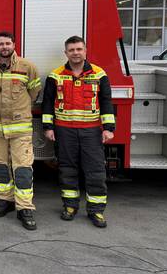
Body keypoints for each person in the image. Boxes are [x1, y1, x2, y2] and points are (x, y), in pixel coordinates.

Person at [42, 35, 115, 228]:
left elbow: (106, 102)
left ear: (85, 51)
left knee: (96, 171)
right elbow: (47, 103)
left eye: (79, 49)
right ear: (66, 53)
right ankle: (70, 206)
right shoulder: (55, 75)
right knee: (67, 170)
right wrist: (48, 127)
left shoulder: (99, 74)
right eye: (72, 50)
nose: (75, 53)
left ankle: (96, 210)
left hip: (91, 131)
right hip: (64, 130)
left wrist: (108, 128)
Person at [0, 32, 41, 231]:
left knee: (22, 168)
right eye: (1, 44)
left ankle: (25, 208)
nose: (4, 47)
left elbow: (33, 92)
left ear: (14, 45)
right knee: (0, 166)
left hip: (20, 127)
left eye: (7, 43)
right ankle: (5, 200)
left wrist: (20, 108)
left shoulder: (27, 67)